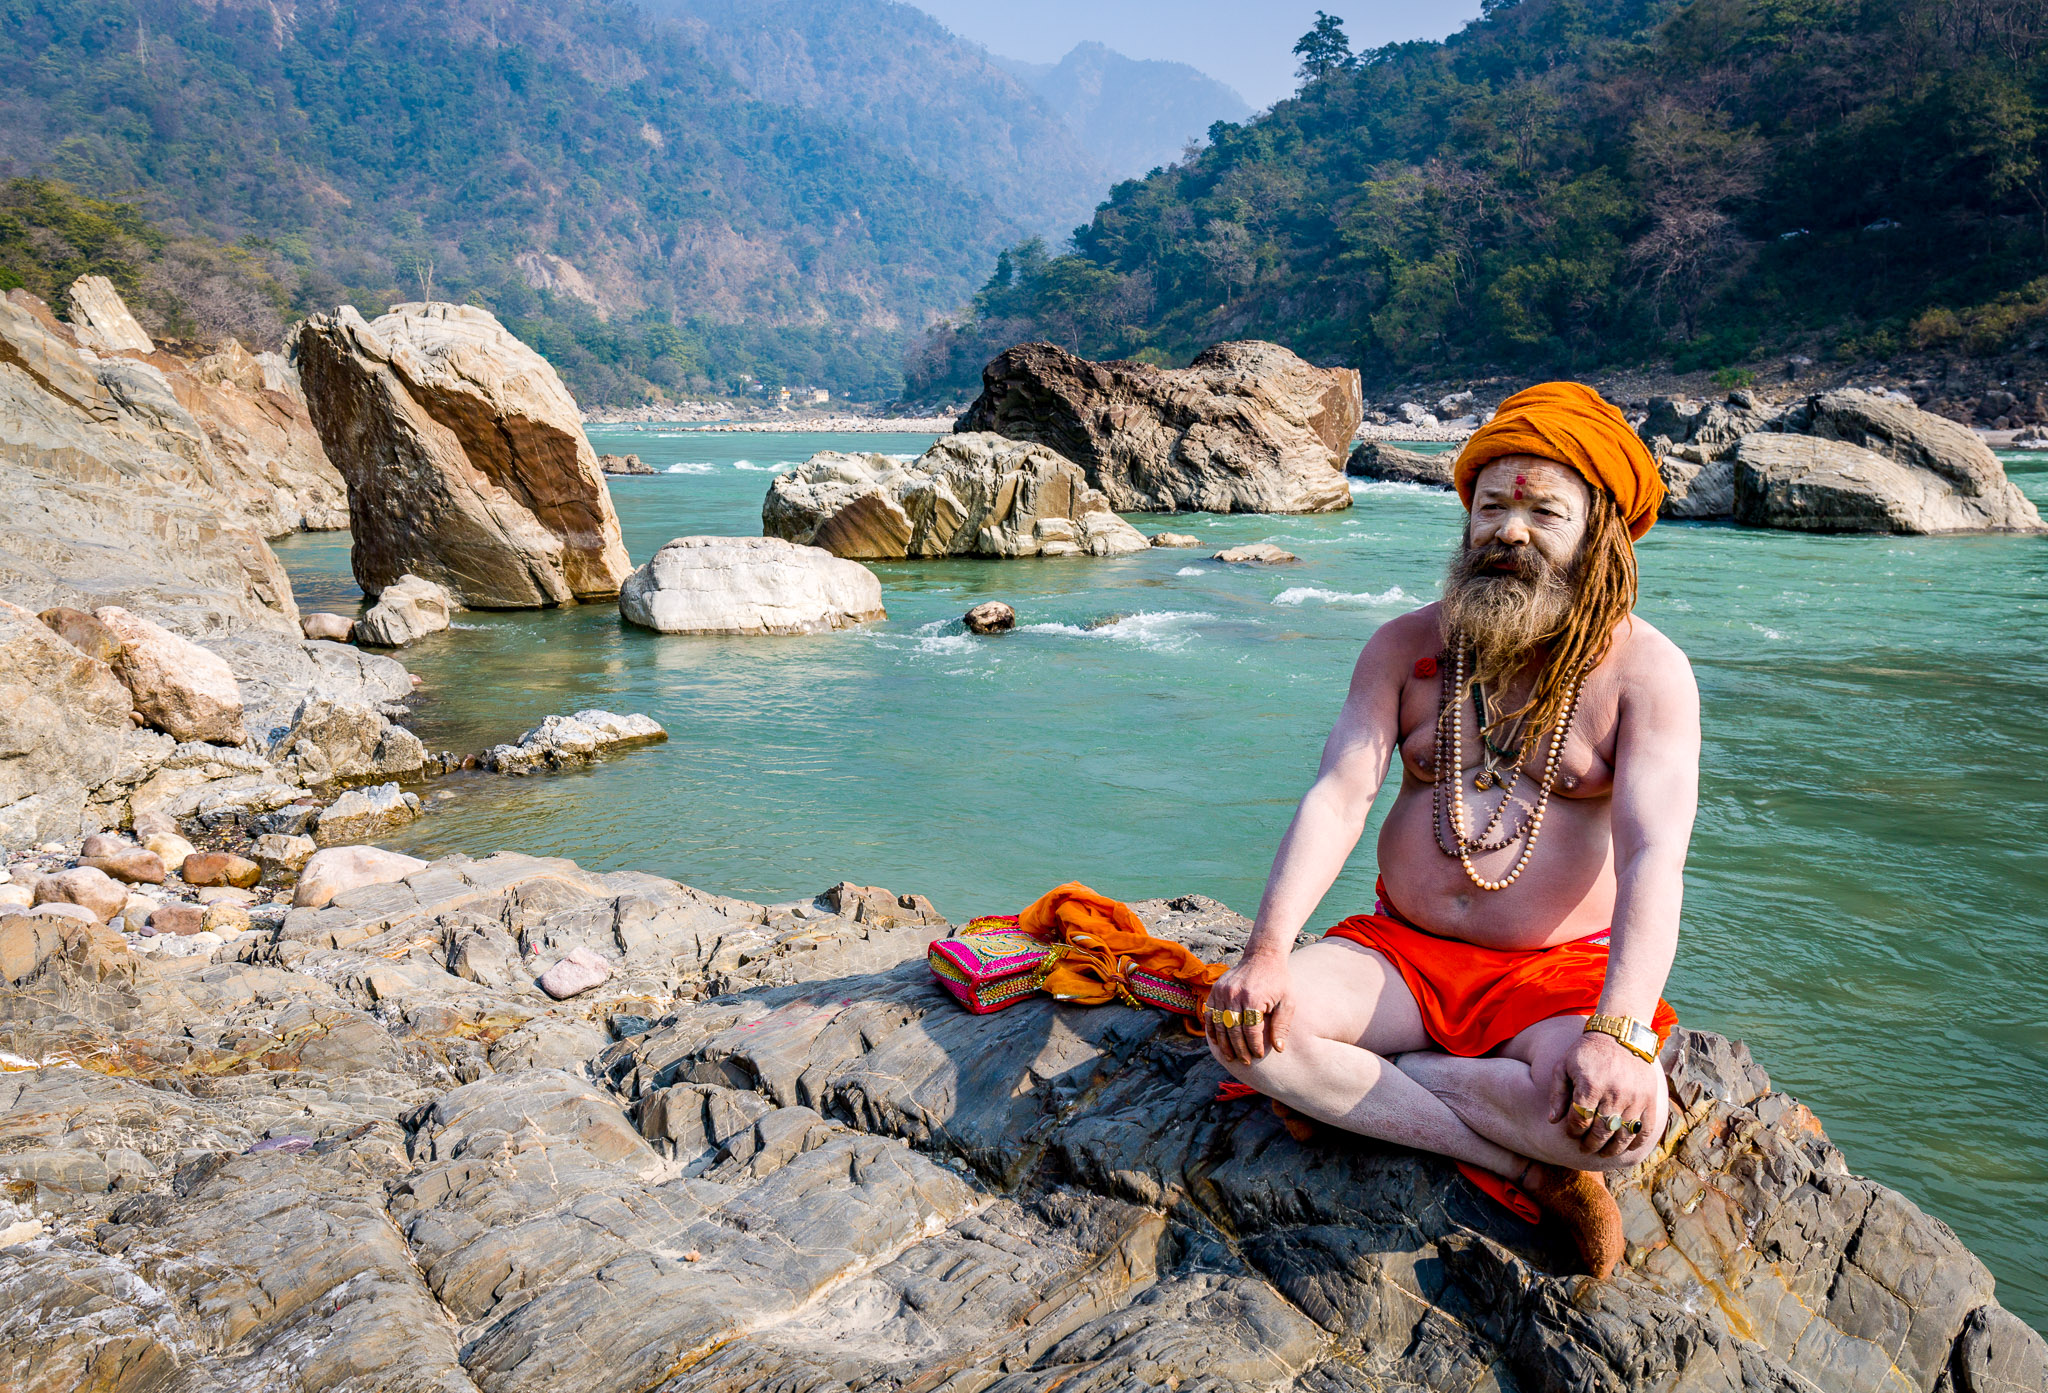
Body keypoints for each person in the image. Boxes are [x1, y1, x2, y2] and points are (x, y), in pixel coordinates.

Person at [1203, 381, 1698, 1277]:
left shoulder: (1647, 675)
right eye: (1492, 506)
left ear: (1601, 534)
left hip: (1556, 979)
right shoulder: (1404, 646)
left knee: (1623, 1127)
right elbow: (1339, 795)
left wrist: (1619, 1033)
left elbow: (1657, 856)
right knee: (1245, 1032)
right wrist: (1267, 950)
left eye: (1545, 510)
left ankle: (1378, 1092)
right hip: (1400, 955)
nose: (1510, 531)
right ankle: (1517, 1164)